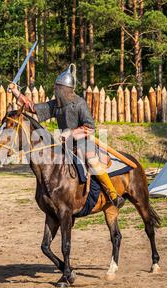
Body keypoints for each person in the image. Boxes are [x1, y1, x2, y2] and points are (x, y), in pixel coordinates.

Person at [9, 64, 125, 209]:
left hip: (83, 142)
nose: (56, 90)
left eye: (58, 88)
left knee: (93, 160)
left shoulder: (79, 104)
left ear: (66, 89)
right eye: (56, 87)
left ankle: (113, 195)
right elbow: (32, 108)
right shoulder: (56, 105)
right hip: (64, 144)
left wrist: (71, 133)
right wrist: (16, 92)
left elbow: (90, 127)